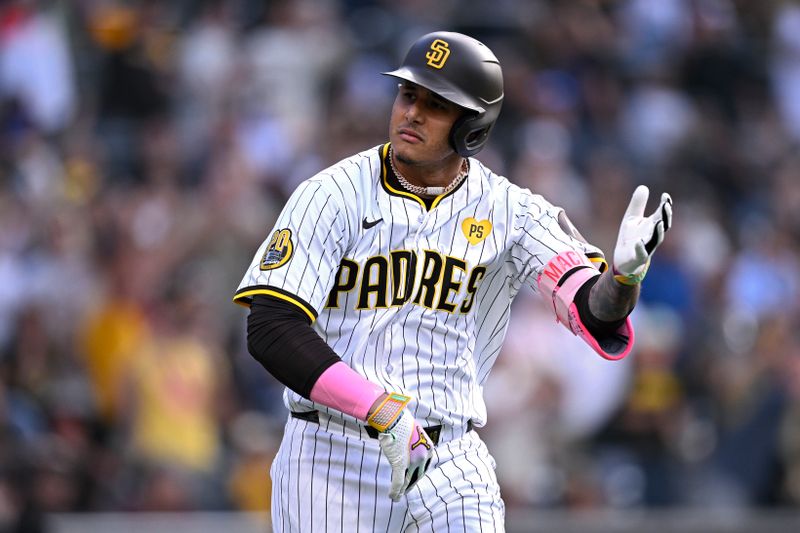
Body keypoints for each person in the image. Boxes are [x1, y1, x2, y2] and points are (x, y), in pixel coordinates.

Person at [234, 30, 672, 531]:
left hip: (449, 456)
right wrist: (380, 410)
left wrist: (624, 278)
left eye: (437, 104)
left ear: (473, 127)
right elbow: (269, 327)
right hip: (332, 453)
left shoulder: (510, 211)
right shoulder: (331, 194)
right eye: (407, 94)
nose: (412, 113)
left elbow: (592, 308)